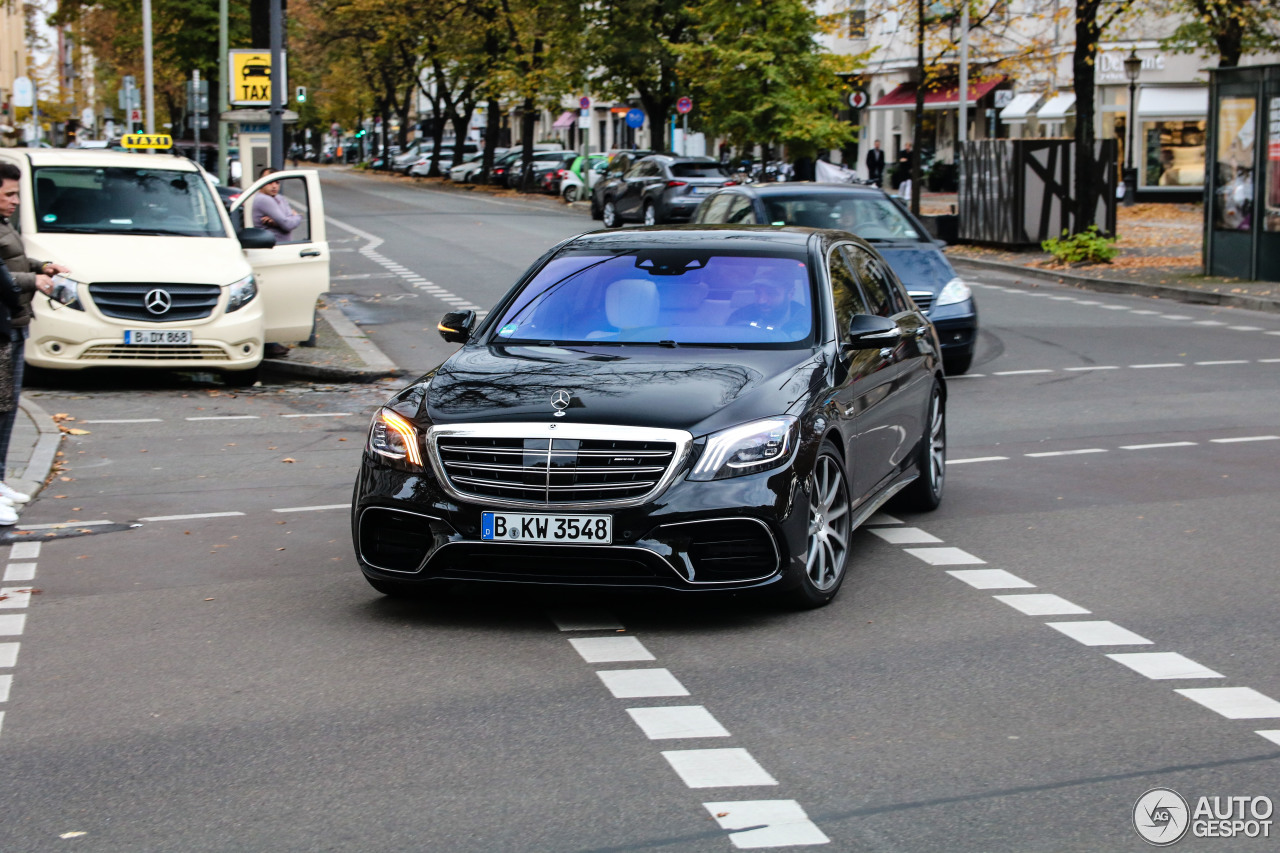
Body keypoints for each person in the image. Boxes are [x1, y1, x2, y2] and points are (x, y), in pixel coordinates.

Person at [0, 161, 70, 510]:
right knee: (1, 408)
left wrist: (40, 266)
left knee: (9, 408)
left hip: (14, 322)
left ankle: (0, 481)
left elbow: (12, 262)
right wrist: (35, 281)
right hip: (4, 326)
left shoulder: (4, 224)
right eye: (9, 194)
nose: (15, 201)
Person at [728, 278, 808, 335]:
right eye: (758, 293)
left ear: (791, 294)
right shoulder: (740, 316)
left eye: (771, 293)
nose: (761, 301)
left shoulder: (806, 320)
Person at [251, 167, 302, 242]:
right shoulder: (264, 199)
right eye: (270, 182)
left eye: (277, 182)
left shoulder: (279, 198)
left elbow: (286, 221)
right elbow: (288, 225)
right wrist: (298, 216)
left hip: (284, 247)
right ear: (261, 182)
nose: (274, 186)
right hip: (273, 248)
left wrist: (279, 222)